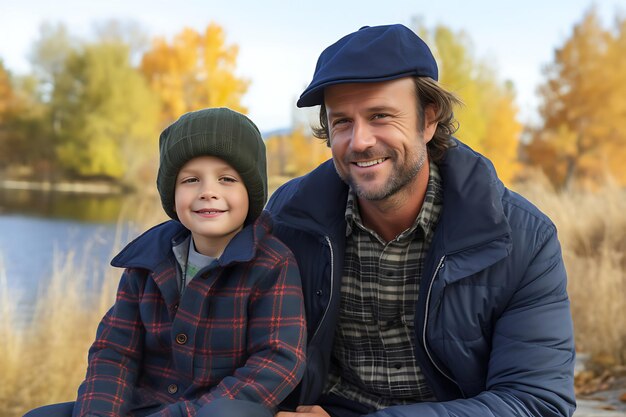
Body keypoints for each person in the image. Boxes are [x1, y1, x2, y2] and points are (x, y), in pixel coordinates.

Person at [269, 24, 576, 417]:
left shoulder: (522, 239)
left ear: (428, 120)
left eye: (380, 115)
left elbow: (536, 402)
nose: (359, 140)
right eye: (342, 121)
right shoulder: (289, 220)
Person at [24, 108, 307, 417]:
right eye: (191, 180)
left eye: (226, 179)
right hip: (147, 405)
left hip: (221, 409)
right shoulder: (147, 261)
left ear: (250, 192)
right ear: (171, 193)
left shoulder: (272, 263)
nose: (208, 192)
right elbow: (115, 352)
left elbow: (277, 361)